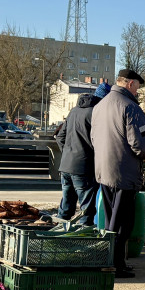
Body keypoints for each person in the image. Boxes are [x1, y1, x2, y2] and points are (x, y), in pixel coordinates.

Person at [91, 69, 145, 278]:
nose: (138, 91)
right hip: (124, 172)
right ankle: (115, 265)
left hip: (103, 170)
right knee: (122, 223)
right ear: (130, 84)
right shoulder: (131, 108)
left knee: (110, 221)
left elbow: (94, 138)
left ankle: (111, 261)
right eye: (137, 86)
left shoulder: (100, 106)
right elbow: (140, 143)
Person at [55, 83, 107, 225]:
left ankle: (56, 238)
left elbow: (60, 137)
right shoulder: (96, 113)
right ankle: (82, 242)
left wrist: (68, 153)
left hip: (66, 166)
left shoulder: (74, 111)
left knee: (65, 209)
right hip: (84, 168)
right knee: (86, 211)